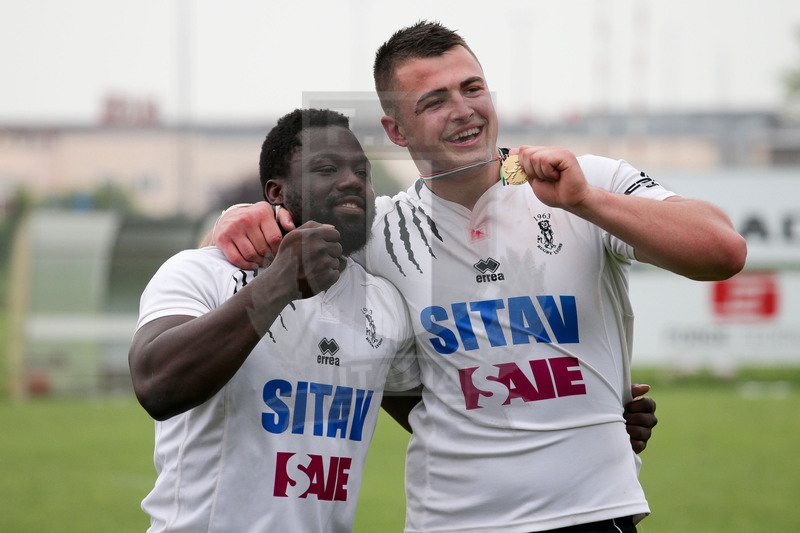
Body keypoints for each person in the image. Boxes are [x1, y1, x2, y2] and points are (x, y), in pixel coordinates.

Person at [212, 21, 744, 532]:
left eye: (472, 88)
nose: (463, 110)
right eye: (435, 100)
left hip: (594, 513)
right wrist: (243, 217)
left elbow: (722, 251)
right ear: (396, 130)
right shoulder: (377, 233)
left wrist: (586, 202)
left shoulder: (582, 183)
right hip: (450, 522)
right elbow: (266, 255)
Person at [128, 108, 421, 532]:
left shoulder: (385, 305)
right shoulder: (202, 272)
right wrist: (280, 285)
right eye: (326, 168)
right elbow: (156, 385)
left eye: (363, 171)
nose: (352, 180)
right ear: (276, 191)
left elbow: (442, 418)